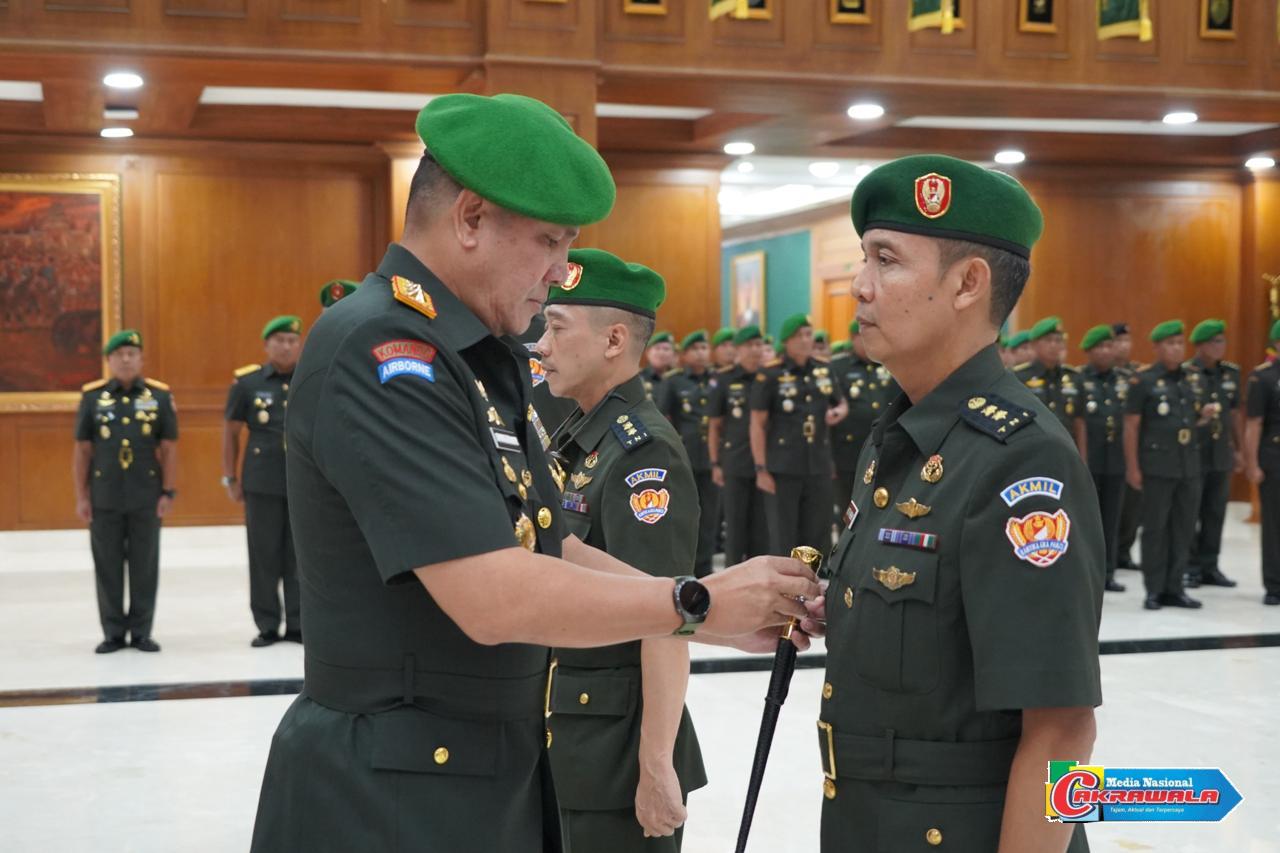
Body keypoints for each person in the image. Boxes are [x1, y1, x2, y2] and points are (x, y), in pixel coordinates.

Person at [248, 93, 820, 853]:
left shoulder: (478, 357)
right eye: (549, 241)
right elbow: (491, 593)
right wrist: (694, 599)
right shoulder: (389, 353)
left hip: (476, 775)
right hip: (391, 794)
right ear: (472, 217)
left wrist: (707, 612)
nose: (559, 271)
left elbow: (538, 539)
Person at [818, 154, 1102, 853]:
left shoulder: (1021, 460)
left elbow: (1065, 730)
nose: (859, 286)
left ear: (969, 283)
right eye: (864, 259)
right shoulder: (902, 435)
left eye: (886, 260)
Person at [536, 248, 706, 852]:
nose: (541, 346)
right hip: (572, 735)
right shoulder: (582, 437)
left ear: (613, 340)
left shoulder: (643, 455)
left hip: (616, 756)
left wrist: (657, 762)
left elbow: (668, 617)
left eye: (556, 328)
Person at [72, 329, 179, 654]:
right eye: (120, 355)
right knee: (107, 564)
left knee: (145, 564)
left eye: (133, 353)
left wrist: (168, 491)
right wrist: (82, 495)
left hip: (147, 495)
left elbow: (170, 448)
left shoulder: (159, 397)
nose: (127, 359)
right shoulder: (93, 398)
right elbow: (82, 450)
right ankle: (113, 632)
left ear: (142, 358)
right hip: (105, 496)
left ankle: (142, 630)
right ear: (109, 360)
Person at [223, 315, 305, 647]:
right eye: (280, 340)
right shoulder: (248, 383)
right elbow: (230, 433)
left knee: (299, 556)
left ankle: (299, 623)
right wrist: (229, 475)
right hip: (261, 482)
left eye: (292, 340)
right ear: (266, 344)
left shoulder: (309, 377)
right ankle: (267, 623)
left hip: (303, 482)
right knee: (263, 554)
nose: (286, 346)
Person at [1124, 320, 1212, 610]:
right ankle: (1154, 589)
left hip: (1188, 465)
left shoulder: (1191, 378)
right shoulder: (1143, 381)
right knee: (1155, 528)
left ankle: (1175, 587)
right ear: (1157, 347)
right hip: (1156, 466)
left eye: (1179, 343)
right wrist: (1133, 467)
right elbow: (1132, 427)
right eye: (1170, 343)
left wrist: (1204, 418)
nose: (1176, 349)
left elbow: (1187, 420)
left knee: (1184, 527)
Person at [750, 313, 847, 556]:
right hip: (783, 467)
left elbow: (841, 402)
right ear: (787, 341)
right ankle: (783, 589)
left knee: (818, 531)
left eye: (808, 334)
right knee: (784, 533)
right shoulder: (770, 374)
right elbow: (757, 424)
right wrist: (761, 468)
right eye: (800, 336)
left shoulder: (823, 370)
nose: (806, 340)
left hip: (818, 463)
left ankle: (813, 584)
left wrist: (838, 411)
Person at [655, 330, 718, 576]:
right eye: (696, 349)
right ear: (685, 354)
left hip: (712, 459)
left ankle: (706, 569)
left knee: (710, 517)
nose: (702, 353)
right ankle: (684, 568)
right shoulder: (673, 381)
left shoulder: (717, 379)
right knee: (683, 515)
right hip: (684, 457)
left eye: (705, 348)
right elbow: (662, 419)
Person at [1185, 319, 1241, 588]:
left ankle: (1211, 565)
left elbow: (1235, 414)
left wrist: (1238, 448)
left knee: (1215, 511)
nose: (1221, 347)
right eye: (1215, 342)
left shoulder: (1230, 373)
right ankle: (1191, 566)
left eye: (1223, 341)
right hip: (1194, 451)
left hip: (1220, 453)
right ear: (1200, 346)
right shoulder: (1186, 373)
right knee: (1191, 511)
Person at [709, 325, 770, 565]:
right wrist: (715, 462)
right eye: (750, 345)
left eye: (759, 344)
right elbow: (714, 426)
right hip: (735, 461)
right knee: (735, 528)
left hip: (766, 463)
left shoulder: (770, 377)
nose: (756, 350)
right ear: (739, 349)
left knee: (762, 530)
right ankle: (733, 578)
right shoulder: (724, 379)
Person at [1074, 324, 1127, 592]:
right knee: (1087, 521)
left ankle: (1108, 572)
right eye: (1100, 347)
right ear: (1089, 351)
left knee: (1111, 518)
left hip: (1115, 460)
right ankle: (1088, 571)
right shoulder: (1079, 380)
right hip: (1089, 460)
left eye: (1109, 346)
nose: (1107, 351)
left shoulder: (1123, 380)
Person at [829, 320, 899, 523]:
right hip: (847, 453)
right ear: (853, 339)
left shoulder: (888, 363)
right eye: (864, 335)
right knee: (848, 513)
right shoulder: (838, 367)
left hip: (884, 450)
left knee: (881, 510)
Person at [1243, 319, 1280, 606]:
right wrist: (1251, 462)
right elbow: (1253, 423)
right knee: (1274, 525)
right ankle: (1274, 584)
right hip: (1274, 458)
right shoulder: (1264, 378)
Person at [1111, 322, 1144, 571]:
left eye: (1127, 340)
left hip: (1133, 447)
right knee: (1112, 506)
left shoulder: (1138, 374)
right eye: (1118, 341)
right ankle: (1110, 552)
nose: (1124, 346)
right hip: (1109, 447)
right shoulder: (1099, 374)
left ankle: (1125, 550)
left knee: (1133, 505)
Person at [1015, 316, 1080, 433]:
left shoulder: (1073, 377)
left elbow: (1079, 421)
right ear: (1034, 345)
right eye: (1048, 340)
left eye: (1058, 340)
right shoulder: (1019, 377)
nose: (1053, 345)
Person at [641, 331, 676, 400]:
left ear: (673, 354)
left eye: (666, 349)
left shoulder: (679, 379)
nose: (661, 353)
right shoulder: (638, 379)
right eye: (657, 348)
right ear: (648, 352)